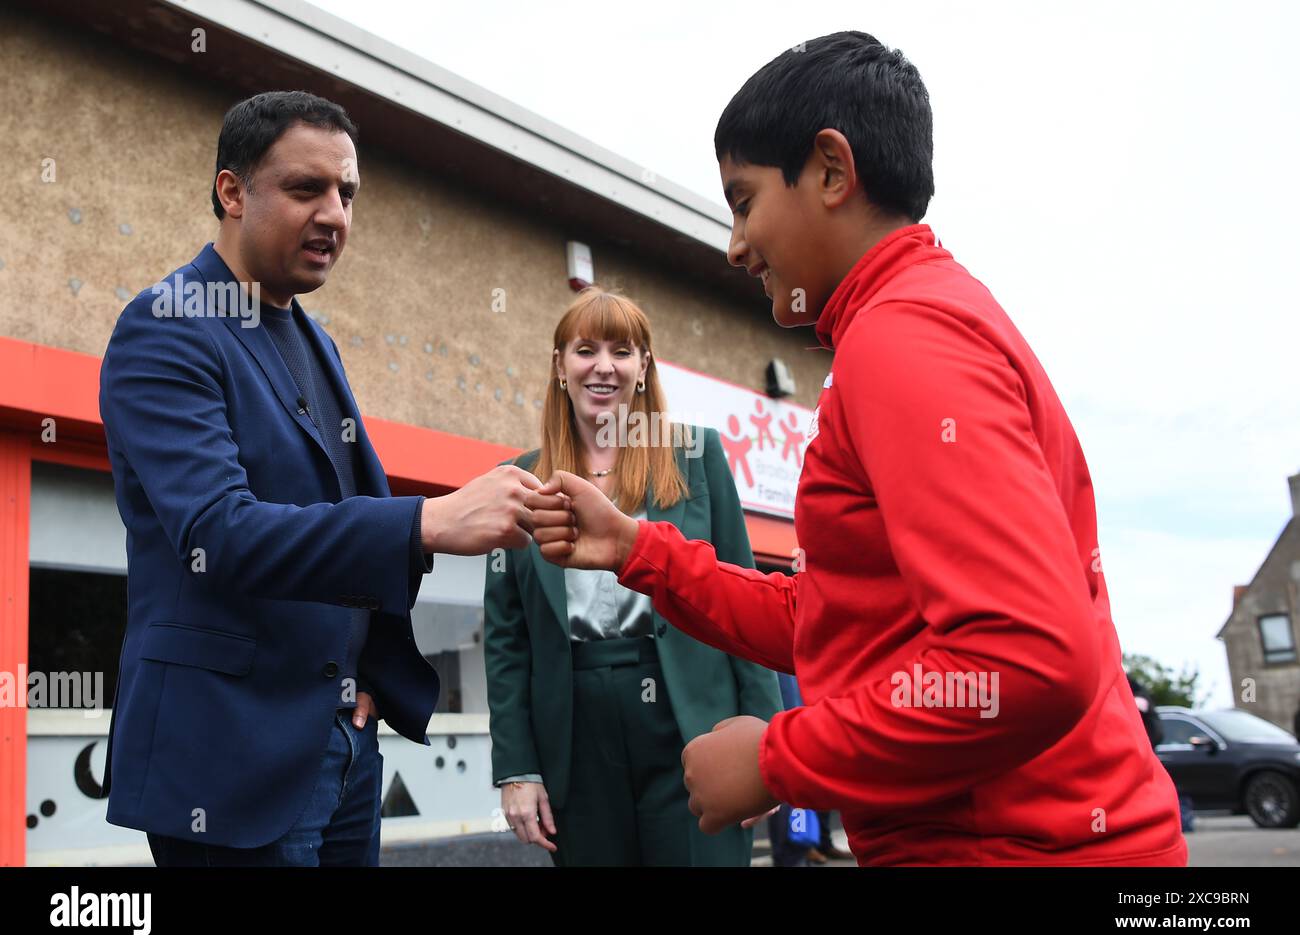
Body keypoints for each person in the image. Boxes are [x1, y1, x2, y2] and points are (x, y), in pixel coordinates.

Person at [525, 33, 1188, 866]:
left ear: (832, 172)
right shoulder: (918, 322)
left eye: (743, 201)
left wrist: (778, 760)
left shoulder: (903, 340)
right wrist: (636, 548)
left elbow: (1026, 659)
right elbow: (834, 619)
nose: (735, 246)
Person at [99, 91, 541, 866]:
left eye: (348, 193)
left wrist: (356, 686)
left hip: (340, 747)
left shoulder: (315, 340)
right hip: (226, 763)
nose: (335, 214)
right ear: (232, 192)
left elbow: (333, 518)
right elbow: (219, 533)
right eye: (306, 189)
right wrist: (426, 522)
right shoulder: (166, 325)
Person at [483, 287, 783, 866]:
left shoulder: (698, 455)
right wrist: (517, 766)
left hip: (695, 719)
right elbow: (506, 638)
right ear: (559, 366)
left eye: (621, 351)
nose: (603, 366)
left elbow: (747, 598)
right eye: (585, 350)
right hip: (574, 728)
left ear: (643, 367)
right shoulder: (518, 480)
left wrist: (768, 739)